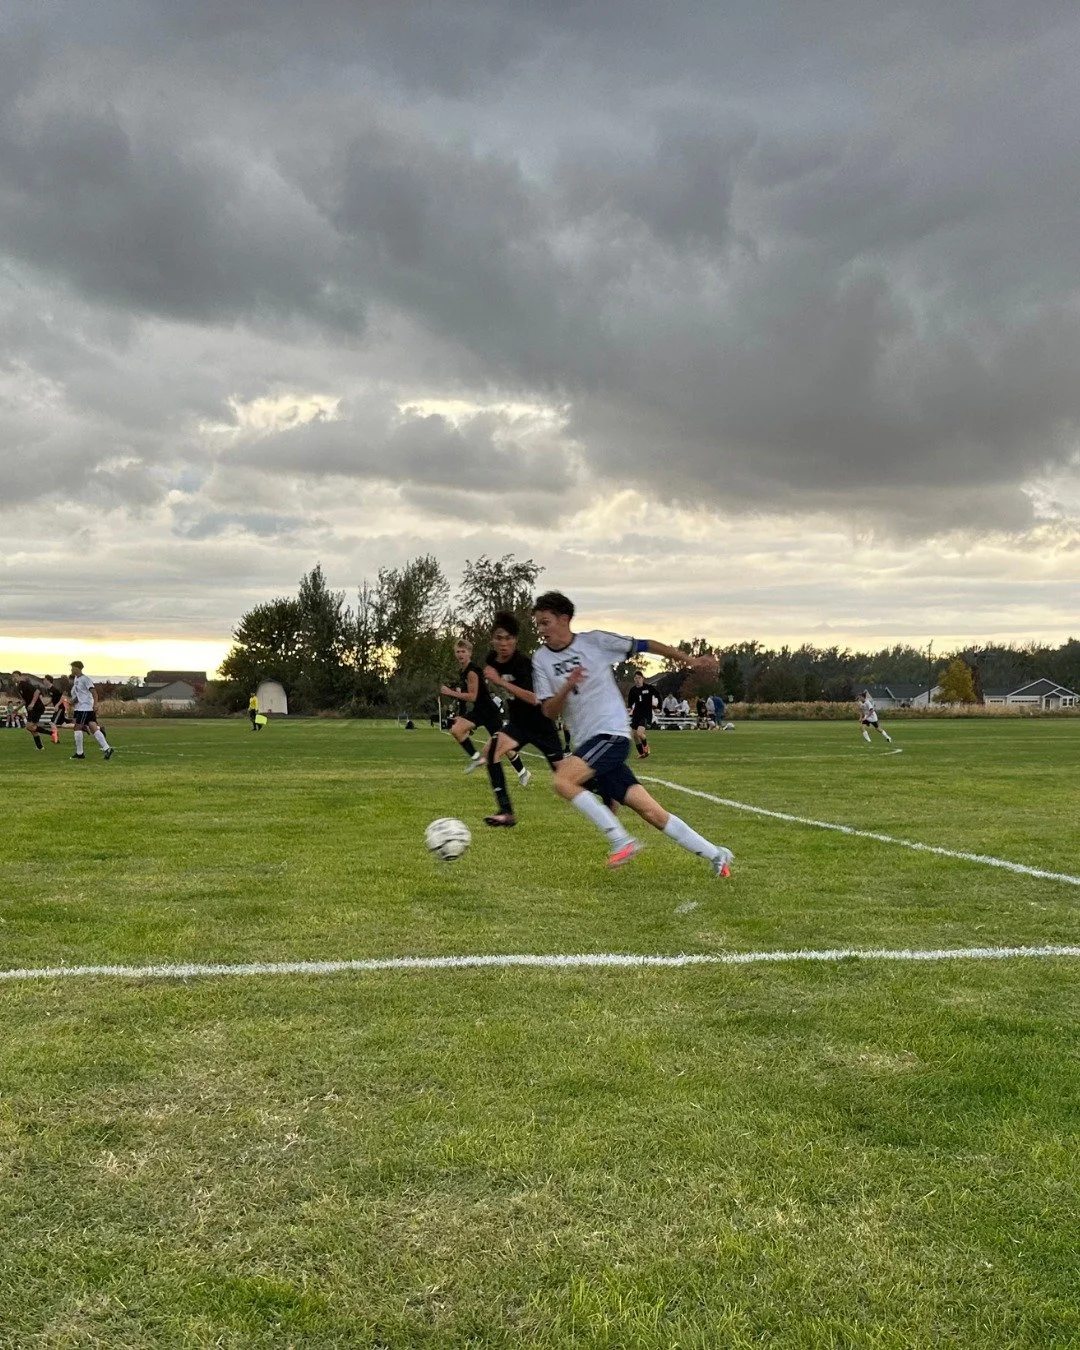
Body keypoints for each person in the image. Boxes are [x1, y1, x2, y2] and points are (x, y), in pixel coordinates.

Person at [531, 591, 734, 875]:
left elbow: (645, 644)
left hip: (611, 735)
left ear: (564, 619)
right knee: (652, 812)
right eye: (538, 624)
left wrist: (689, 659)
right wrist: (566, 685)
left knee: (563, 780)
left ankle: (621, 840)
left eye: (545, 623)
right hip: (588, 744)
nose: (541, 630)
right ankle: (717, 855)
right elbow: (548, 712)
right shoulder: (540, 659)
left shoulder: (595, 642)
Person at [479, 612, 568, 826]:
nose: (503, 643)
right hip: (518, 725)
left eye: (508, 638)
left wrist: (500, 682)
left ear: (515, 640)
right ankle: (506, 811)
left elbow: (534, 698)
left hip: (540, 725)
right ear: (492, 639)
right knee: (491, 753)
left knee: (566, 778)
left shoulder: (524, 664)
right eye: (499, 638)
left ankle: (608, 791)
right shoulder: (492, 659)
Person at [438, 638, 525, 776]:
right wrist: (462, 713)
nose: (460, 654)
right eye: (458, 651)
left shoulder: (472, 672)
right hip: (479, 711)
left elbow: (472, 696)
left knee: (504, 747)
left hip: (490, 712)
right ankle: (476, 758)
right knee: (456, 729)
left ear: (469, 653)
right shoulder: (464, 671)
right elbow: (469, 698)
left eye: (463, 651)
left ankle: (523, 772)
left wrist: (450, 692)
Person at [68, 661, 113, 761]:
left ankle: (80, 753)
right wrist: (73, 701)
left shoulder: (85, 679)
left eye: (72, 667)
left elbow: (94, 692)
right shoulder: (76, 679)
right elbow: (81, 695)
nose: (71, 669)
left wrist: (95, 704)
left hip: (85, 708)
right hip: (83, 707)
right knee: (93, 727)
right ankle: (107, 748)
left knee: (77, 727)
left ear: (77, 668)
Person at [12, 671, 48, 751]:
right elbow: (25, 700)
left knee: (29, 726)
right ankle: (40, 747)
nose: (14, 678)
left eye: (16, 676)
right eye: (13, 677)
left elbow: (37, 691)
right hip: (31, 708)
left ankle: (51, 733)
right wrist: (17, 709)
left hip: (37, 707)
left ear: (20, 676)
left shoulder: (24, 684)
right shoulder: (19, 687)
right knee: (31, 728)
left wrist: (32, 703)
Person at [626, 670, 658, 759]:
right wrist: (629, 707)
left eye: (639, 678)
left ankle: (646, 747)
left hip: (646, 714)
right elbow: (630, 702)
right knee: (634, 735)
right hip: (637, 714)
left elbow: (657, 696)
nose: (637, 680)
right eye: (636, 678)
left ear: (642, 679)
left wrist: (657, 706)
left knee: (640, 733)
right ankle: (642, 753)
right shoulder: (633, 690)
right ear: (634, 679)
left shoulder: (648, 688)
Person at [42, 675, 66, 743]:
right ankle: (82, 727)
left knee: (52, 722)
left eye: (44, 679)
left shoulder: (54, 689)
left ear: (48, 681)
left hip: (60, 708)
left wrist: (57, 705)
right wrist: (47, 704)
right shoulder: (49, 689)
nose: (43, 681)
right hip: (58, 708)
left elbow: (63, 697)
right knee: (64, 724)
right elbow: (53, 699)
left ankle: (56, 739)